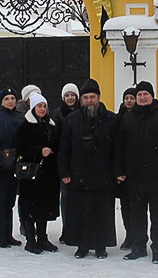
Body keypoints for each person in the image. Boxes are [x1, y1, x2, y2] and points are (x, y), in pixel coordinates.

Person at [115, 81, 158, 264]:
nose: (142, 98)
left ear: (152, 96)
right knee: (137, 215)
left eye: (146, 94)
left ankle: (157, 249)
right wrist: (119, 170)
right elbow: (120, 145)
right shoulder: (128, 118)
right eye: (139, 95)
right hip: (134, 176)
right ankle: (138, 247)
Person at [59, 78, 118, 259]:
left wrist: (118, 171)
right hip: (79, 173)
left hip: (103, 174)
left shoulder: (111, 119)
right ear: (81, 100)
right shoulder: (72, 119)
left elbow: (117, 148)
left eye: (92, 97)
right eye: (86, 97)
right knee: (80, 212)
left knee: (102, 212)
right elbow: (64, 148)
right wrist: (64, 172)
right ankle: (82, 245)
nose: (89, 100)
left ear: (99, 98)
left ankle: (101, 246)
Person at [16, 92, 61, 254]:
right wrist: (39, 151)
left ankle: (42, 238)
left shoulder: (51, 125)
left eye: (44, 106)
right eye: (39, 106)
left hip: (48, 174)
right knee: (29, 207)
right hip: (31, 175)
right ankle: (30, 240)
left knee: (44, 207)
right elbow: (21, 148)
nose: (42, 109)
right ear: (33, 108)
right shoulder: (26, 126)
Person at [0, 87, 25, 248]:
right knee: (1, 200)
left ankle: (8, 233)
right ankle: (0, 235)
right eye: (7, 99)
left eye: (12, 98)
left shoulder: (20, 117)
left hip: (15, 164)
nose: (10, 101)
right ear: (1, 101)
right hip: (2, 163)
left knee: (10, 201)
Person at [50, 82, 80, 242]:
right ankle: (66, 227)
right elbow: (55, 135)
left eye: (72, 95)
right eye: (67, 95)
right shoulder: (57, 114)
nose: (70, 98)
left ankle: (78, 227)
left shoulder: (83, 111)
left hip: (80, 159)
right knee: (66, 195)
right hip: (65, 157)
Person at [115, 86, 136, 250]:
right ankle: (129, 233)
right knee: (125, 204)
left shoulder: (140, 116)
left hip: (137, 167)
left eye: (131, 98)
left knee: (137, 205)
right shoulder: (118, 118)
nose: (129, 101)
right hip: (123, 169)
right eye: (126, 98)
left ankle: (137, 234)